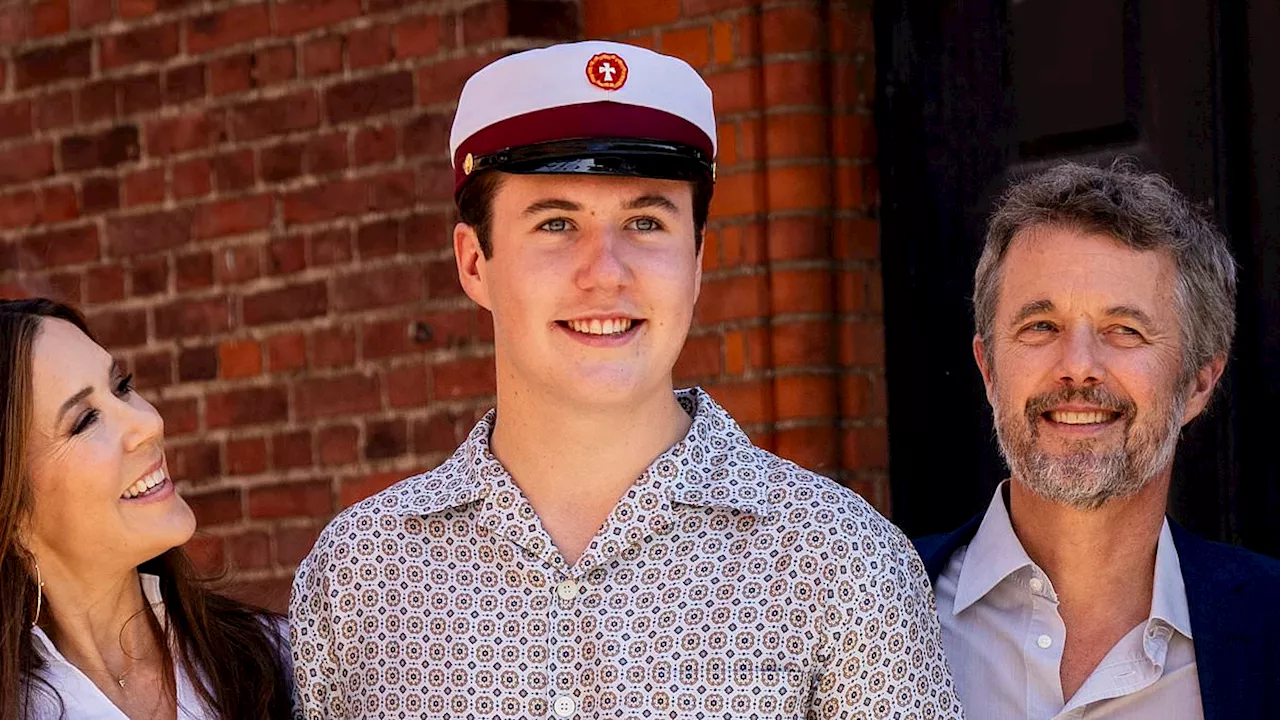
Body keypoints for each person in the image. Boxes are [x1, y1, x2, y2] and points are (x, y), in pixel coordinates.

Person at [291, 40, 963, 719]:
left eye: (646, 222)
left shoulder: (842, 561)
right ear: (474, 264)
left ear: (696, 260)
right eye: (556, 223)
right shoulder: (358, 575)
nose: (606, 271)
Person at [914, 162, 1280, 719]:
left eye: (1124, 331)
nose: (1079, 368)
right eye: (1041, 326)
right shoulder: (875, 600)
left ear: (1199, 382)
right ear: (989, 369)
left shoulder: (1271, 624)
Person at [0, 298, 293, 719]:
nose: (149, 423)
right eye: (85, 420)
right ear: (13, 512)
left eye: (122, 387)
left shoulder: (275, 662)